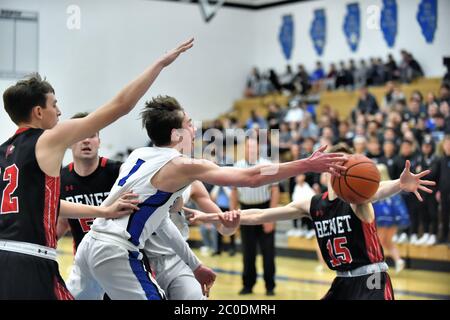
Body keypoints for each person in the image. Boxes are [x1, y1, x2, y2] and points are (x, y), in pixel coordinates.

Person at [71, 94, 348, 300]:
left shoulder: (138, 155)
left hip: (91, 245)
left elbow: (161, 223)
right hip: (117, 250)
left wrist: (195, 263)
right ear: (177, 133)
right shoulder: (182, 166)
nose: (194, 128)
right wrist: (305, 164)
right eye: (189, 123)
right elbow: (252, 177)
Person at [0, 38, 194, 300]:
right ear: (38, 112)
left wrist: (103, 210)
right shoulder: (48, 138)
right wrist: (159, 64)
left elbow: (49, 203)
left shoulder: (4, 152)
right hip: (33, 260)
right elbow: (119, 107)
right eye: (54, 104)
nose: (59, 111)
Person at [189, 144, 435, 300]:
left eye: (346, 164)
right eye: (337, 164)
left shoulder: (357, 199)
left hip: (371, 280)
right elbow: (262, 214)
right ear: (328, 169)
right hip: (341, 280)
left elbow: (378, 190)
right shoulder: (312, 204)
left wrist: (399, 185)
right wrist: (212, 216)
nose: (341, 169)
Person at [146, 180, 237, 300]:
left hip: (179, 260)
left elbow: (223, 228)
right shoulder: (134, 174)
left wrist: (231, 226)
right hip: (142, 260)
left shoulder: (193, 184)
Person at [57, 112, 123, 250]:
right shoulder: (60, 179)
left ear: (99, 142)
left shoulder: (119, 171)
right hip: (84, 259)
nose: (86, 140)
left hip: (120, 253)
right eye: (81, 135)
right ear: (69, 142)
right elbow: (62, 222)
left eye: (92, 135)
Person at [231, 138, 280, 296]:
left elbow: (275, 191)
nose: (251, 150)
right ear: (244, 149)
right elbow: (233, 192)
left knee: (268, 253)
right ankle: (248, 285)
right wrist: (233, 216)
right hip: (245, 210)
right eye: (248, 147)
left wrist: (271, 217)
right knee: (248, 252)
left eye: (254, 147)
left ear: (258, 149)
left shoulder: (267, 165)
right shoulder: (237, 167)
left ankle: (270, 286)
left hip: (264, 210)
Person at [373, 164, 408, 273]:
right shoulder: (393, 187)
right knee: (387, 242)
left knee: (379, 242)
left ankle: (378, 264)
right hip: (394, 218)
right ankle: (398, 260)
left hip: (382, 218)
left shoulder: (378, 188)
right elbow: (399, 205)